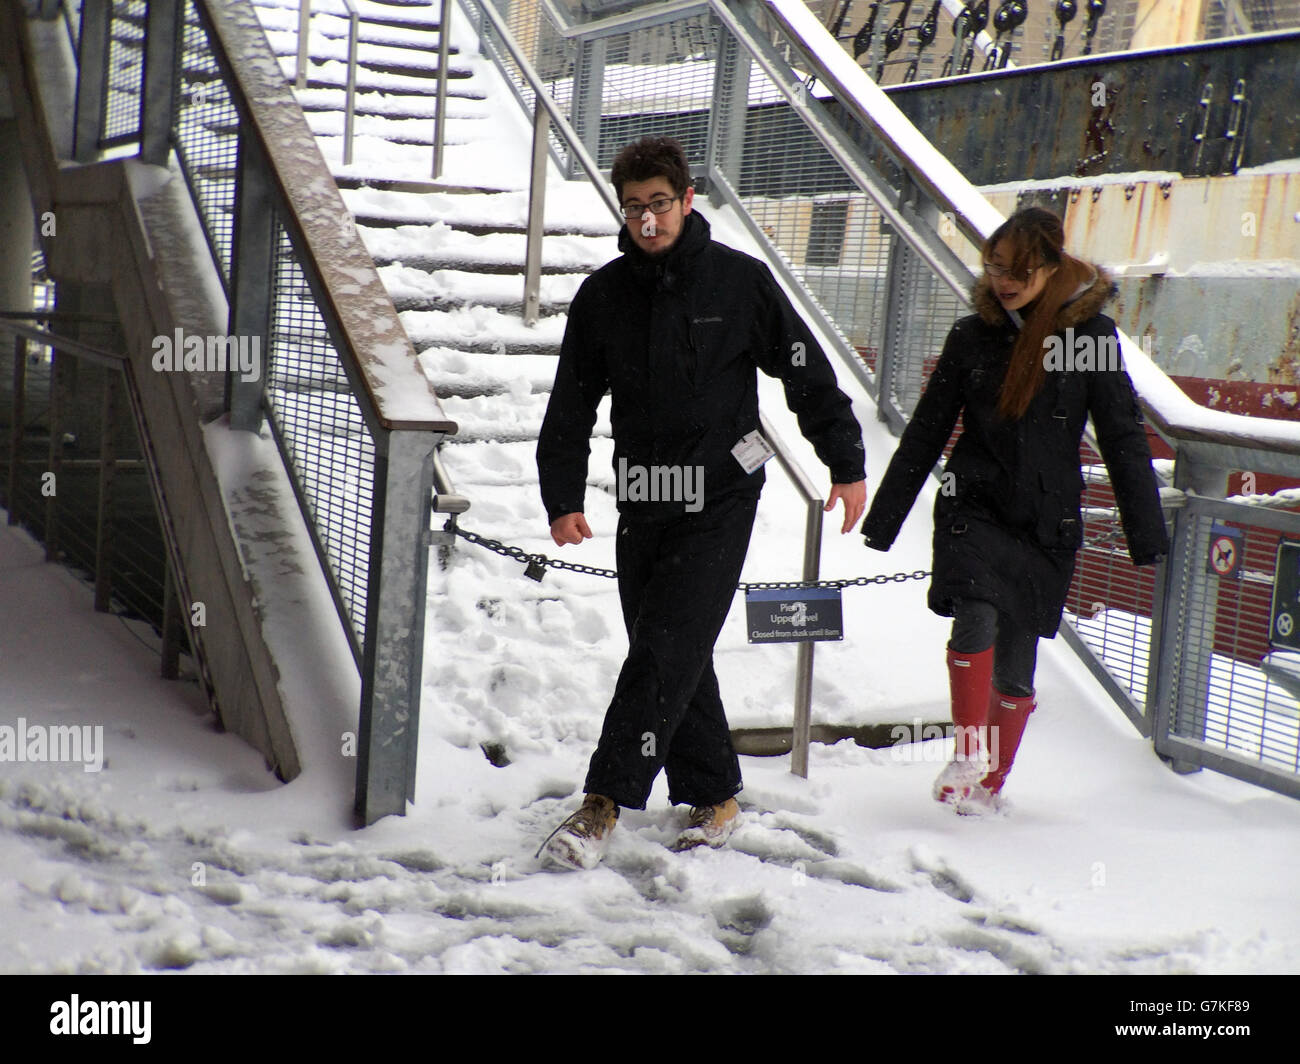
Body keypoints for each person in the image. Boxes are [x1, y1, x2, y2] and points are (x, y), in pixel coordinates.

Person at [535, 135, 867, 869]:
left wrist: (844, 461)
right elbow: (571, 406)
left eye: (658, 205)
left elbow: (805, 373)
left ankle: (603, 804)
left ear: (687, 200)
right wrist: (562, 494)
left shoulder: (740, 284)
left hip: (722, 494)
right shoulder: (603, 297)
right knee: (670, 645)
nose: (647, 222)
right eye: (633, 209)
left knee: (665, 644)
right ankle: (714, 793)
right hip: (644, 496)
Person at [860, 206, 1168, 814]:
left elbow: (1122, 434)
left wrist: (1145, 531)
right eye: (995, 267)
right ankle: (969, 751)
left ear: (1052, 270)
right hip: (974, 504)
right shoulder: (972, 335)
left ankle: (989, 786)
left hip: (1044, 519)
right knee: (973, 613)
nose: (1003, 282)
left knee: (1019, 658)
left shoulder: (1090, 340)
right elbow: (928, 429)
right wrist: (885, 516)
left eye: (1019, 273)